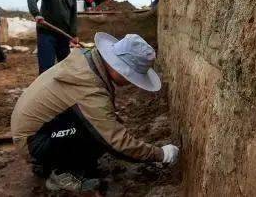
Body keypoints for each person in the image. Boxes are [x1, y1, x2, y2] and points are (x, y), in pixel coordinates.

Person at [11, 32, 179, 193]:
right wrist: (160, 154)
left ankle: (50, 164)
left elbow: (106, 120)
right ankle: (60, 174)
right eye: (131, 77)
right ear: (120, 68)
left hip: (42, 130)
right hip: (32, 141)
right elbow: (116, 141)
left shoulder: (88, 61)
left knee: (98, 130)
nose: (131, 83)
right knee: (98, 135)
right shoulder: (89, 86)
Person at [27, 0, 84, 73]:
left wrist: (74, 34)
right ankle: (43, 90)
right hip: (47, 34)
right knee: (46, 69)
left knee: (66, 67)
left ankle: (62, 89)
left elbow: (73, 15)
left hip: (63, 35)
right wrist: (36, 13)